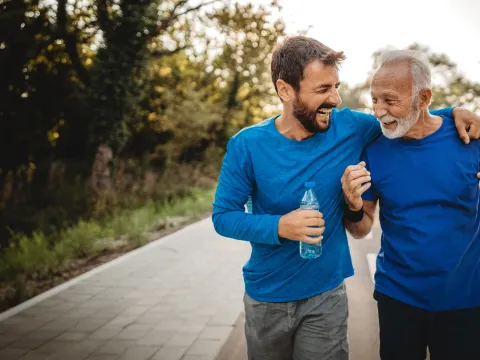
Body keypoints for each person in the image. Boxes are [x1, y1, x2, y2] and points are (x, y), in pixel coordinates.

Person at [212, 36, 480, 360]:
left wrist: (455, 113)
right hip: (266, 294)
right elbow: (223, 216)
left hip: (327, 294)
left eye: (336, 86)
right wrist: (279, 226)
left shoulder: (351, 127)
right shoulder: (247, 145)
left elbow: (409, 116)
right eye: (323, 89)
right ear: (285, 90)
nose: (336, 98)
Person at [342, 49, 480, 360]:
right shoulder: (373, 151)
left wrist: (456, 110)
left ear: (424, 98)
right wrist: (351, 205)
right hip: (398, 298)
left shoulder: (469, 138)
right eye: (374, 99)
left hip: (467, 300)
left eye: (389, 100)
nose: (379, 110)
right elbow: (361, 228)